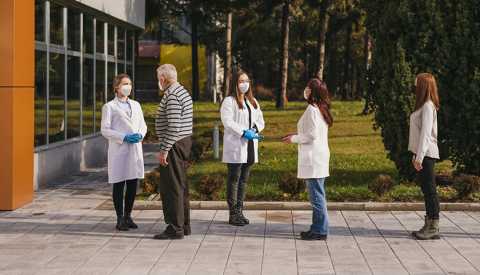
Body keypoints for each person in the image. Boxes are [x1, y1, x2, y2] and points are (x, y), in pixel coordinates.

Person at [282, 78, 332, 241]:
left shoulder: (312, 109)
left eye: (308, 88)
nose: (306, 90)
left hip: (314, 158)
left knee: (316, 196)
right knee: (318, 194)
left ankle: (320, 230)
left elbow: (312, 135)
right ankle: (317, 227)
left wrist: (294, 139)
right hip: (319, 157)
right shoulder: (321, 108)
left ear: (313, 92)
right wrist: (294, 135)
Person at [101, 73, 147, 231]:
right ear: (116, 87)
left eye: (130, 84)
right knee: (119, 184)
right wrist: (124, 137)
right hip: (119, 149)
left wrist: (140, 134)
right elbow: (105, 130)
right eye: (125, 84)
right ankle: (119, 217)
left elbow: (143, 125)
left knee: (133, 184)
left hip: (134, 149)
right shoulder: (109, 107)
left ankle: (128, 216)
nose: (128, 87)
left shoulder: (136, 105)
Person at [154, 64, 193, 240]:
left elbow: (174, 127)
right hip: (182, 143)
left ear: (163, 79)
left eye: (158, 78)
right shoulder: (182, 92)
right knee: (181, 186)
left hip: (175, 145)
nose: (158, 82)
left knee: (172, 187)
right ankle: (184, 225)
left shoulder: (172, 96)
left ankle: (175, 227)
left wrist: (164, 150)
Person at [220, 70, 265, 226]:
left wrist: (254, 130)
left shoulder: (253, 101)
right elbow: (227, 121)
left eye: (246, 81)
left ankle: (240, 211)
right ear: (235, 83)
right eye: (241, 81)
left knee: (244, 180)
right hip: (236, 145)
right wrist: (243, 132)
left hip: (250, 145)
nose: (244, 84)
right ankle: (233, 214)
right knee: (234, 179)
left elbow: (261, 120)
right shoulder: (229, 101)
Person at [408, 73, 440, 240]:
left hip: (427, 154)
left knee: (430, 190)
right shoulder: (423, 106)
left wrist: (419, 157)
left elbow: (426, 135)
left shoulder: (428, 106)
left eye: (417, 83)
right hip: (422, 153)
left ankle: (433, 226)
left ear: (423, 86)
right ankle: (429, 223)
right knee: (427, 190)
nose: (414, 86)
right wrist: (416, 154)